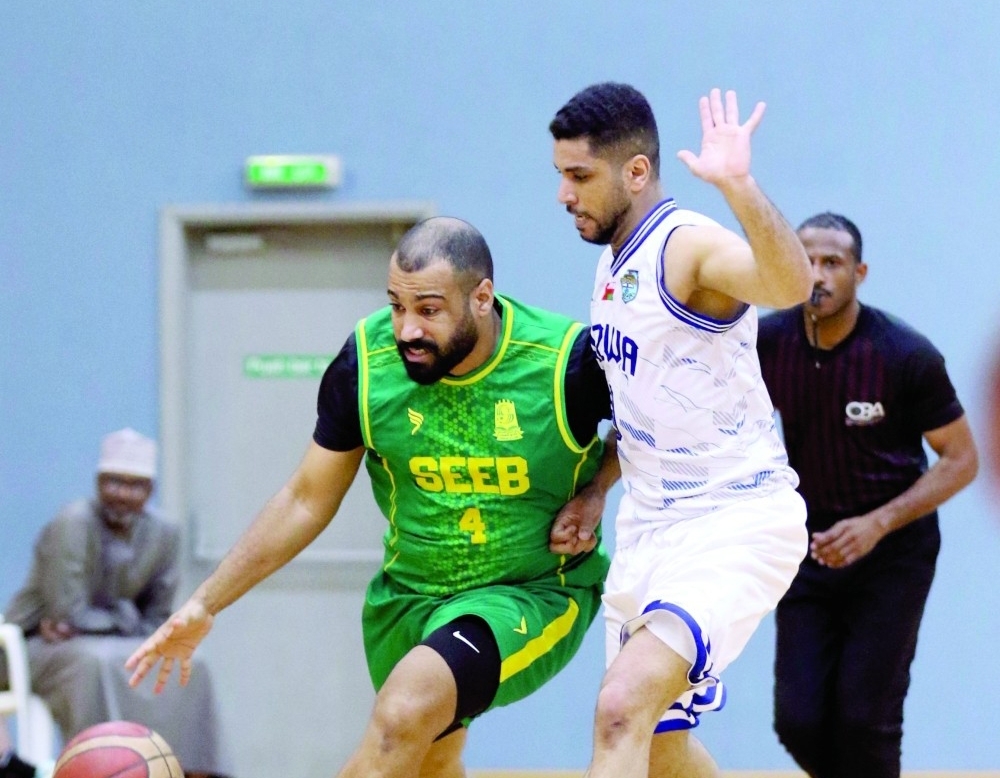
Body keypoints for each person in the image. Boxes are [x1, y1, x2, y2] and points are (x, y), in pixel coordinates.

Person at [125, 216, 619, 778]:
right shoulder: (367, 364)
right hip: (405, 601)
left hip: (528, 592)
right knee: (431, 760)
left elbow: (656, 421)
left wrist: (597, 489)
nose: (406, 328)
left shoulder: (567, 362)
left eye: (428, 310)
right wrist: (204, 603)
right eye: (395, 306)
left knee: (402, 715)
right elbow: (306, 499)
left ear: (482, 298)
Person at [548, 82, 813, 777]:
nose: (564, 194)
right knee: (659, 743)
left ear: (636, 172)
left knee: (619, 707)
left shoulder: (685, 246)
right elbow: (640, 408)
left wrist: (739, 187)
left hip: (734, 515)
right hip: (650, 525)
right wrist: (597, 492)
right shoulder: (612, 263)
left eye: (579, 176)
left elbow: (790, 287)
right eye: (560, 176)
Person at [756, 212, 979, 778]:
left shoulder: (904, 354)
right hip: (808, 551)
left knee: (865, 720)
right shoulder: (765, 342)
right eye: (805, 260)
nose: (817, 275)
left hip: (893, 555)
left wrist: (877, 524)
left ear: (860, 272)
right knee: (798, 721)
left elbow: (962, 460)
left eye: (832, 263)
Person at [0, 428, 232, 778]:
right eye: (113, 482)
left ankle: (190, 770)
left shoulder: (164, 532)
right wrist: (127, 620)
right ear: (97, 482)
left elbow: (157, 616)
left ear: (150, 490)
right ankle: (94, 766)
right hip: (40, 645)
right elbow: (68, 613)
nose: (122, 494)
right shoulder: (74, 522)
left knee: (193, 664)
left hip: (110, 640)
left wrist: (117, 621)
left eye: (135, 485)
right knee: (96, 662)